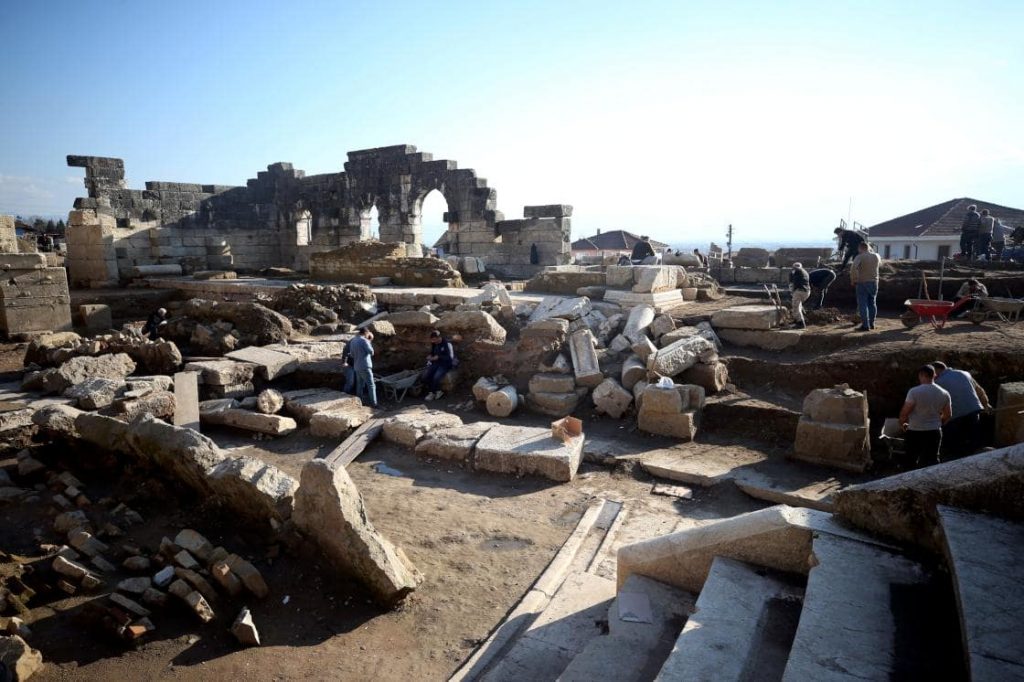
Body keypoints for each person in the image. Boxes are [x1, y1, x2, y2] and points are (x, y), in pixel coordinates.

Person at [898, 364, 952, 468]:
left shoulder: (914, 392)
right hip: (934, 431)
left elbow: (904, 413)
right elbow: (948, 415)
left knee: (910, 460)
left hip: (915, 431)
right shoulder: (945, 393)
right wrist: (937, 424)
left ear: (921, 375)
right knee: (932, 462)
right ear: (934, 375)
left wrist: (902, 424)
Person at [933, 361, 990, 458]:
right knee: (974, 439)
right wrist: (986, 404)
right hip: (974, 410)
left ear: (937, 370)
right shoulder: (964, 373)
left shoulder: (937, 382)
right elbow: (980, 391)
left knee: (955, 444)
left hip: (954, 417)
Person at [850, 242, 880, 331]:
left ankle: (865, 325)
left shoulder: (860, 256)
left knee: (863, 304)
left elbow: (853, 268)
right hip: (874, 282)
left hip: (862, 282)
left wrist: (854, 279)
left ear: (860, 248)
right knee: (872, 303)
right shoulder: (876, 256)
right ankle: (872, 324)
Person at [422, 329, 457, 401]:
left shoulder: (447, 344)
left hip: (445, 364)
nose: (433, 341)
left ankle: (434, 392)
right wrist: (430, 357)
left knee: (436, 377)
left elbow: (450, 357)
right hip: (436, 363)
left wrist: (439, 357)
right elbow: (432, 353)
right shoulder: (434, 344)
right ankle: (435, 392)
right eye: (432, 340)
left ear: (439, 337)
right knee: (426, 376)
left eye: (434, 339)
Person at [349, 328, 377, 408]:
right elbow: (371, 352)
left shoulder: (353, 340)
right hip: (365, 366)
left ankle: (359, 402)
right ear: (366, 333)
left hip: (357, 366)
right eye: (368, 333)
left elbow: (352, 355)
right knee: (371, 385)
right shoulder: (364, 341)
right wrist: (370, 340)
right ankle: (374, 404)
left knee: (360, 385)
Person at [788, 262, 810, 329]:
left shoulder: (797, 270)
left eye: (793, 267)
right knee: (798, 306)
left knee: (796, 307)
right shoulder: (805, 272)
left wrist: (792, 291)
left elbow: (793, 282)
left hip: (799, 291)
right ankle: (797, 320)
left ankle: (801, 323)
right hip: (806, 291)